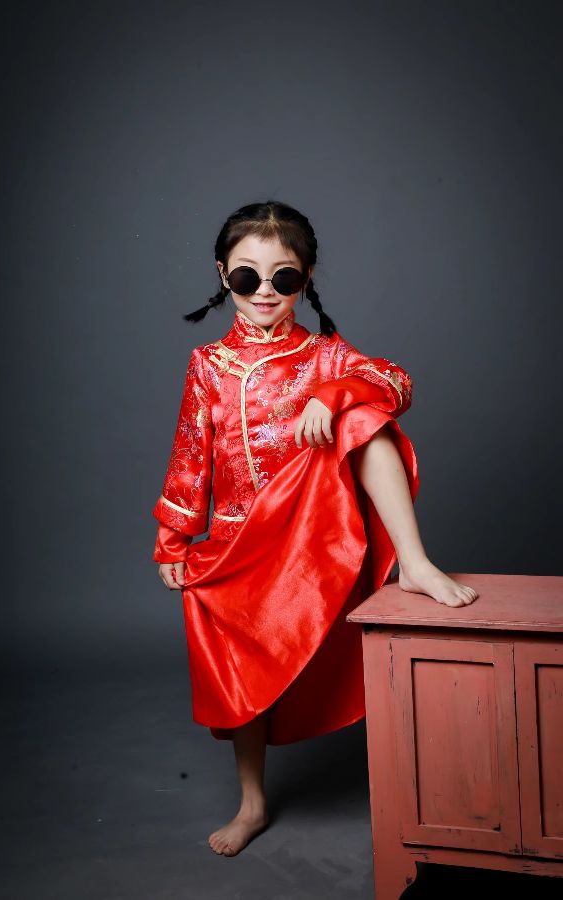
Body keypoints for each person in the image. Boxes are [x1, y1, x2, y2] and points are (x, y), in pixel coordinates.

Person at [151, 199, 478, 858]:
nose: (264, 292)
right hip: (241, 541)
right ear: (223, 275)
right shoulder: (209, 364)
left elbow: (396, 382)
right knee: (240, 677)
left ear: (306, 277)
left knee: (366, 415)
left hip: (312, 535)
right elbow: (191, 453)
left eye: (283, 277)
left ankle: (414, 561)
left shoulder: (324, 355)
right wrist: (173, 537)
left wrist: (336, 392)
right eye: (247, 277)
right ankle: (252, 802)